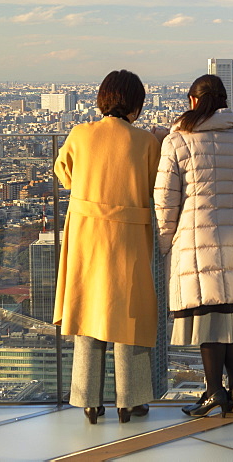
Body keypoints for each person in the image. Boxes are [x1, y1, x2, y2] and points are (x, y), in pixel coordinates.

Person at [155, 74, 233, 418]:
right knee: (231, 320)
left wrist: (164, 245)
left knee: (207, 321)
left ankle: (214, 392)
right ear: (223, 102)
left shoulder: (177, 141)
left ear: (193, 101)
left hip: (196, 240)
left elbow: (165, 202)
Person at [53, 70, 162, 424]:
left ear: (103, 98)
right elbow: (154, 185)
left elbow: (64, 174)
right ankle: (129, 401)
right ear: (136, 104)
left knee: (89, 312)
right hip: (127, 237)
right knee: (128, 315)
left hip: (86, 232)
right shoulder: (145, 141)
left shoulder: (80, 134)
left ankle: (88, 400)